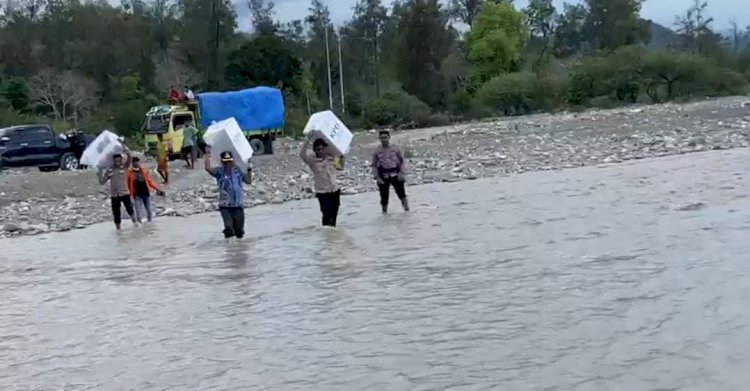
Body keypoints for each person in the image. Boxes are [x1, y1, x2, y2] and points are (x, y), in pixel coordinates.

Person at [205, 148, 253, 240]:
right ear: (222, 162)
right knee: (229, 229)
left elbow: (248, 181)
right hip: (225, 207)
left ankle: (238, 251)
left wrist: (249, 169)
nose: (228, 164)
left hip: (238, 205)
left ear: (232, 161)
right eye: (225, 162)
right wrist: (207, 154)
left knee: (239, 231)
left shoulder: (238, 171)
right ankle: (229, 248)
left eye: (229, 162)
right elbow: (207, 168)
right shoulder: (219, 172)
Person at [300, 135, 345, 227]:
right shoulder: (312, 161)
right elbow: (302, 154)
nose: (320, 151)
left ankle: (331, 236)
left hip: (334, 190)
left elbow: (340, 167)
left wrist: (343, 157)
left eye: (322, 149)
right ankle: (326, 231)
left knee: (334, 215)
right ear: (315, 150)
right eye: (318, 149)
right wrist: (307, 140)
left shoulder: (331, 158)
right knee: (326, 214)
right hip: (323, 192)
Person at [98, 146, 137, 230]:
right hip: (114, 195)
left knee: (129, 209)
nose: (118, 162)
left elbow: (130, 158)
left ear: (121, 160)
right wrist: (100, 172)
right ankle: (118, 229)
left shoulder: (125, 167)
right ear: (113, 161)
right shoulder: (110, 170)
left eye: (119, 161)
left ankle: (135, 223)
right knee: (116, 213)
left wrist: (125, 149)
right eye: (116, 161)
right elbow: (102, 182)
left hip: (124, 193)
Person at [372, 130, 409, 214]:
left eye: (385, 138)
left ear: (389, 138)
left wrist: (401, 173)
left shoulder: (395, 148)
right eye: (382, 138)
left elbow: (402, 161)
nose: (384, 140)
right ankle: (384, 213)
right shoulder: (376, 151)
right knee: (384, 197)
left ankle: (407, 211)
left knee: (402, 194)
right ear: (379, 139)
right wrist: (377, 178)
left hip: (396, 174)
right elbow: (374, 165)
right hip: (383, 176)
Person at [127, 157, 165, 223]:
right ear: (132, 163)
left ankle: (150, 222)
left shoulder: (144, 171)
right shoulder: (129, 173)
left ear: (139, 162)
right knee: (138, 210)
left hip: (145, 192)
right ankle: (139, 223)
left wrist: (157, 189)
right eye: (134, 162)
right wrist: (128, 194)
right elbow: (128, 184)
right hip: (136, 194)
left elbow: (150, 181)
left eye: (137, 161)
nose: (135, 163)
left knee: (149, 209)